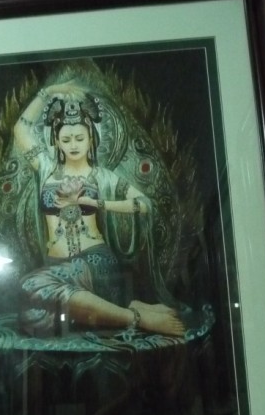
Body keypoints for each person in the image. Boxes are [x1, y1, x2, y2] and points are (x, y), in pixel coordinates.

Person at [13, 80, 185, 338]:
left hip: (95, 264)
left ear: (91, 138)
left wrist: (94, 203)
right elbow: (21, 128)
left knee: (31, 286)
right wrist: (49, 92)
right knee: (35, 317)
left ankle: (136, 318)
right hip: (56, 266)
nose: (73, 144)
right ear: (57, 142)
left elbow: (144, 204)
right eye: (66, 139)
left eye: (79, 138)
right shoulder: (46, 168)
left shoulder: (102, 176)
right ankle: (128, 307)